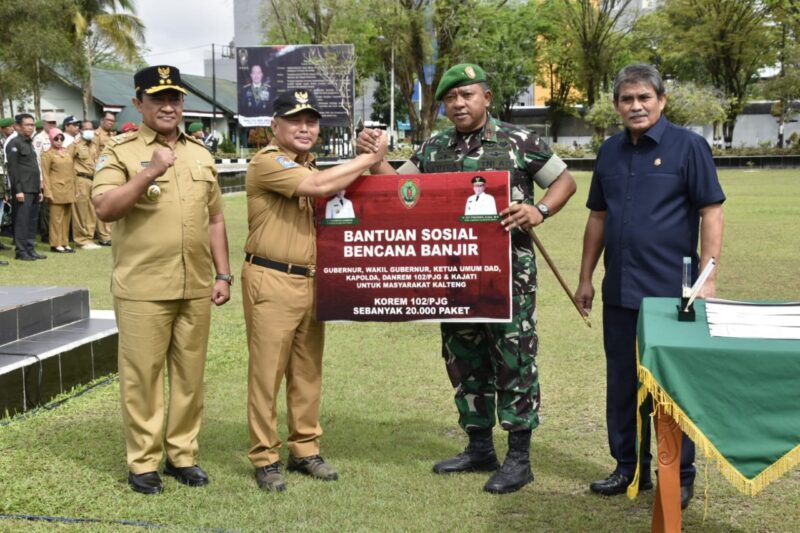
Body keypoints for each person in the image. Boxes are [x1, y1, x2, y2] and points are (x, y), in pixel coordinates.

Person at [357, 63, 577, 494]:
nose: (458, 104)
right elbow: (398, 192)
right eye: (450, 98)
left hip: (508, 275)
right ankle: (479, 447)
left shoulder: (519, 141)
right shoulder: (433, 148)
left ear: (486, 98)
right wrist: (375, 158)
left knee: (513, 358)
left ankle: (519, 458)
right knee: (464, 356)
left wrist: (539, 210)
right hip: (453, 274)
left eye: (467, 95)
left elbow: (564, 181)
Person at [574, 64, 725, 510]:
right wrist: (586, 277)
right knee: (621, 382)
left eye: (644, 98)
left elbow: (711, 211)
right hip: (620, 289)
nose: (635, 106)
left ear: (661, 101)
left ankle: (680, 474)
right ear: (617, 105)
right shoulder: (609, 152)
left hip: (673, 293)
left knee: (672, 385)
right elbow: (597, 218)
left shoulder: (690, 147)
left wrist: (708, 274)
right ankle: (626, 466)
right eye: (627, 99)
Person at [92, 65, 233, 495]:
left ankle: (183, 456)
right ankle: (143, 463)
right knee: (143, 377)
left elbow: (214, 219)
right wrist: (149, 171)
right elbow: (105, 208)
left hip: (194, 286)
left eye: (174, 98)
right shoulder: (119, 151)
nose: (168, 106)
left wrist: (223, 273)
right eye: (157, 99)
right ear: (139, 103)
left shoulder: (200, 153)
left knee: (190, 377)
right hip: (144, 288)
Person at [243, 89, 387, 492]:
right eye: (295, 121)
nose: (305, 128)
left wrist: (369, 158)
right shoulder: (268, 162)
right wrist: (368, 158)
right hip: (271, 278)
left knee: (307, 371)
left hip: (311, 279)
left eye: (311, 121)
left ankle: (305, 449)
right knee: (266, 373)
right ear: (275, 126)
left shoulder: (309, 163)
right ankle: (265, 457)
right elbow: (320, 186)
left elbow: (338, 184)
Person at [6, 113, 46, 261]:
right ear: (17, 126)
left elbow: (33, 167)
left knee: (32, 220)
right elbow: (13, 169)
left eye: (32, 125)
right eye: (27, 125)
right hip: (23, 189)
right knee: (22, 220)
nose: (30, 127)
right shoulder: (14, 144)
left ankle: (30, 248)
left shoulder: (29, 142)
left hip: (33, 188)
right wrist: (18, 190)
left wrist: (39, 189)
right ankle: (21, 251)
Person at [40, 128, 76, 253]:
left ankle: (65, 242)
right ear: (51, 139)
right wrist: (47, 192)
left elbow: (73, 171)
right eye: (56, 138)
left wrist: (75, 188)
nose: (59, 141)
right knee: (56, 219)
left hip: (68, 188)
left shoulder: (66, 152)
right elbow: (45, 174)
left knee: (67, 218)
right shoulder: (47, 154)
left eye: (61, 138)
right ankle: (56, 243)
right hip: (56, 189)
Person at [71, 120, 101, 250]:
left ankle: (89, 237)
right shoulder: (75, 145)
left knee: (91, 210)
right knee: (80, 211)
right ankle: (81, 239)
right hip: (80, 179)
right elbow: (68, 164)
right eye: (86, 129)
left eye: (91, 128)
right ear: (80, 131)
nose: (89, 131)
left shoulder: (94, 144)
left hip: (93, 179)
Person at [93, 111, 116, 246]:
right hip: (101, 172)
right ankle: (104, 236)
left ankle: (111, 233)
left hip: (112, 171)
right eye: (108, 120)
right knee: (103, 203)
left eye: (113, 121)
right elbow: (94, 154)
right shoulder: (96, 135)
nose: (111, 123)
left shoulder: (112, 135)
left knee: (112, 202)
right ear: (102, 121)